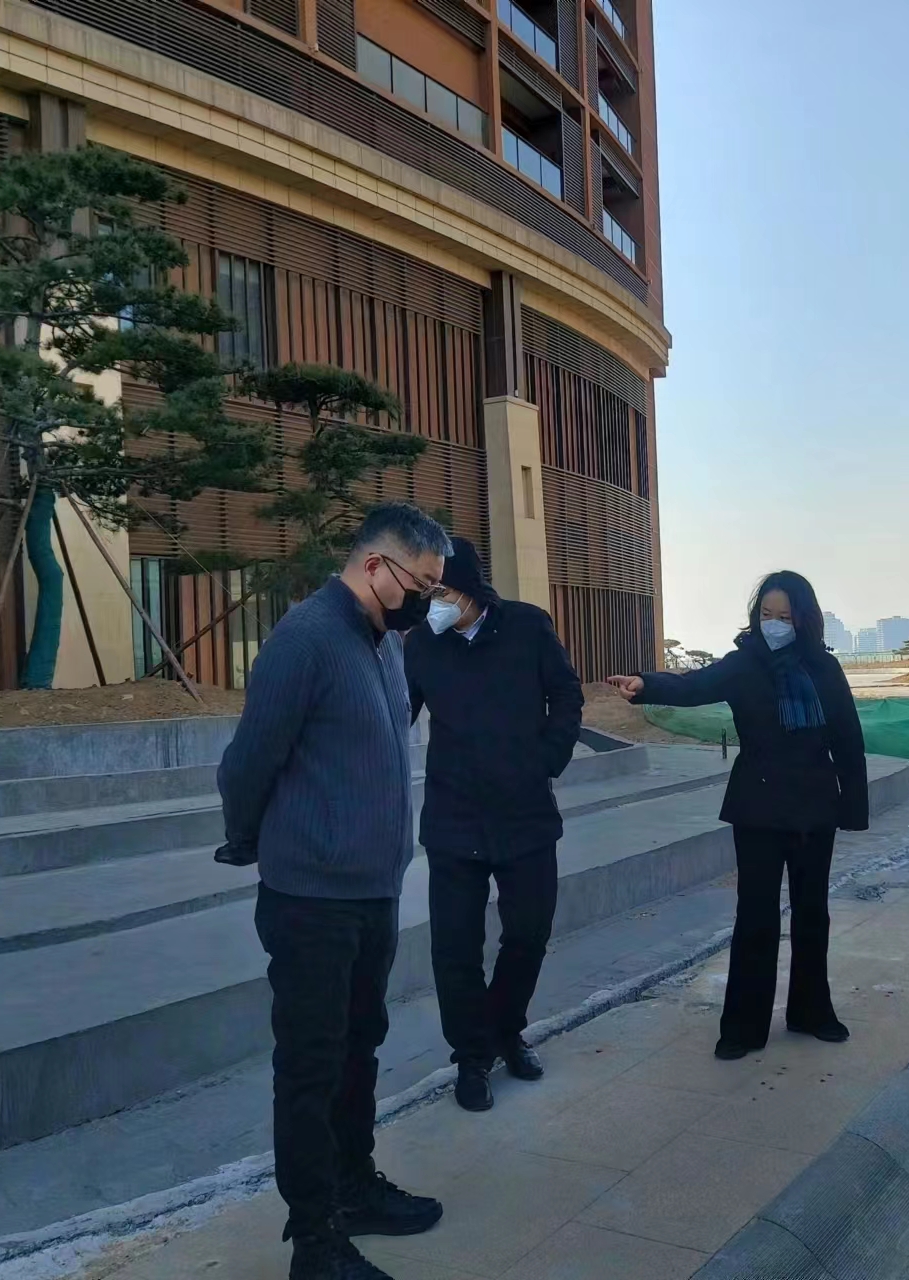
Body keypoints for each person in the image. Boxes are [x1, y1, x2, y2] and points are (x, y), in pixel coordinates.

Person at [217, 503, 450, 1280]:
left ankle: (354, 1188)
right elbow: (248, 762)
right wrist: (253, 840)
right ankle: (314, 1242)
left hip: (372, 894)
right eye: (420, 584)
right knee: (311, 1069)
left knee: (359, 1052)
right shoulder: (306, 639)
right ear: (374, 566)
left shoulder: (384, 645)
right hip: (311, 901)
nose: (425, 602)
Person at [606, 571, 868, 1060]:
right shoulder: (744, 664)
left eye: (784, 616)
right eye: (766, 614)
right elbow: (694, 685)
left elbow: (848, 738)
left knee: (813, 913)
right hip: (758, 807)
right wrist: (645, 685)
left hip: (814, 806)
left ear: (804, 619)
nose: (774, 624)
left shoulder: (824, 668)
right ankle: (744, 1027)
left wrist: (852, 808)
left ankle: (811, 1011)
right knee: (755, 915)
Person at [404, 537, 584, 1113]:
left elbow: (566, 694)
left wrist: (546, 759)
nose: (433, 602)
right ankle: (472, 1057)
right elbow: (396, 714)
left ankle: (506, 1031)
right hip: (453, 820)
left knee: (528, 933)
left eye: (441, 590)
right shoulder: (421, 644)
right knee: (454, 948)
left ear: (469, 588)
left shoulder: (528, 627)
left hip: (524, 816)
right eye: (426, 591)